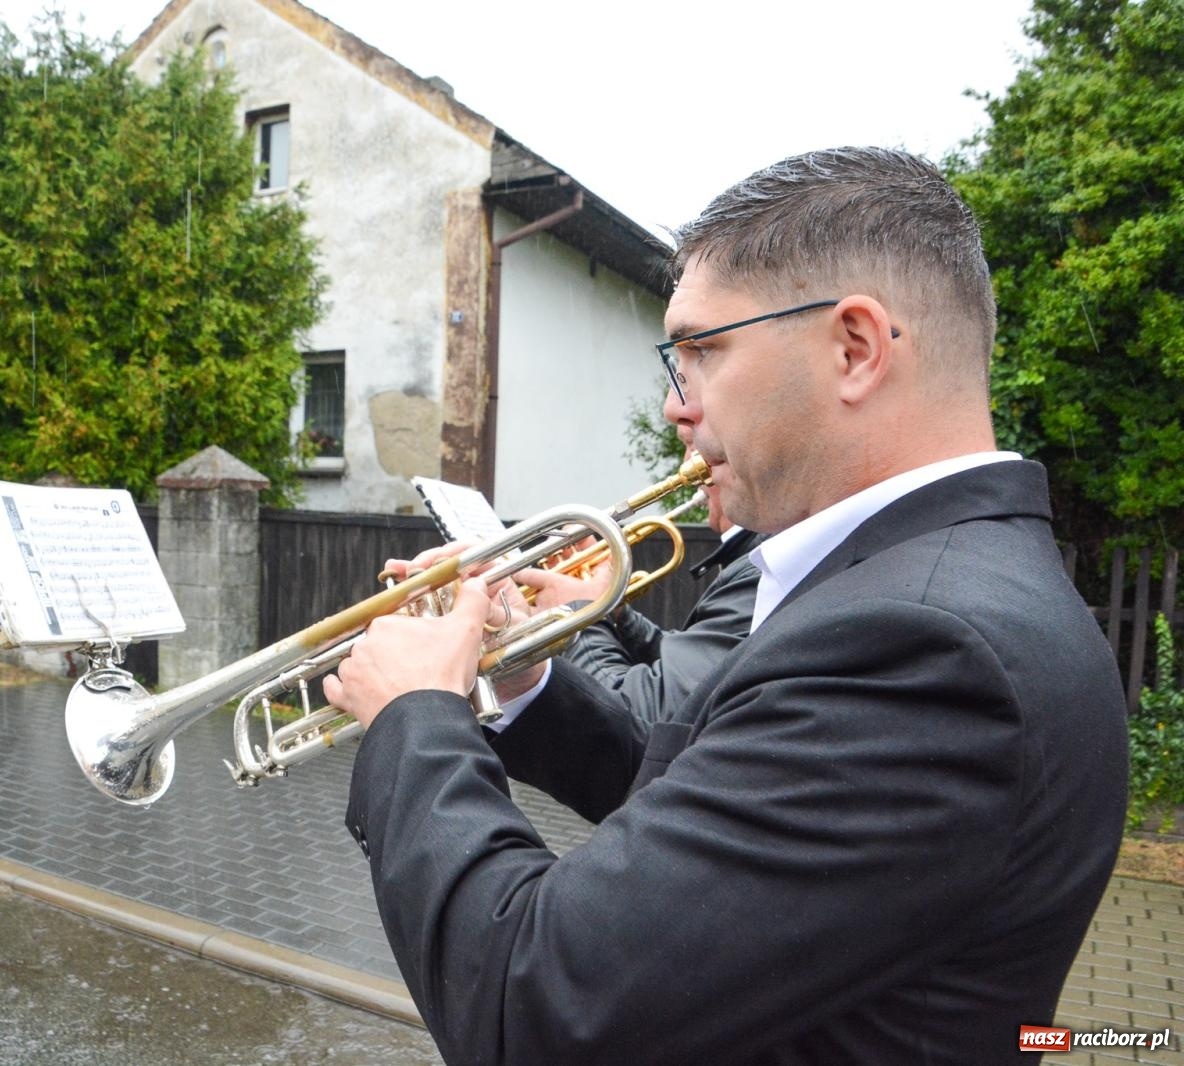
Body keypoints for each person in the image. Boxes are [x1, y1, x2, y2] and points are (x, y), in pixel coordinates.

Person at [324, 147, 1128, 1064]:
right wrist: (533, 675)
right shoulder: (914, 584)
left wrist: (415, 718)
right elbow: (718, 809)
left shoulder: (924, 646)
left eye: (702, 351)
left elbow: (533, 1004)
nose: (675, 406)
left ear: (855, 348)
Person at [521, 441, 762, 726]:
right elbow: (686, 670)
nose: (688, 462)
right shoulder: (758, 560)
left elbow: (645, 717)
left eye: (693, 443)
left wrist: (579, 616)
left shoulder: (766, 569)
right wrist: (615, 614)